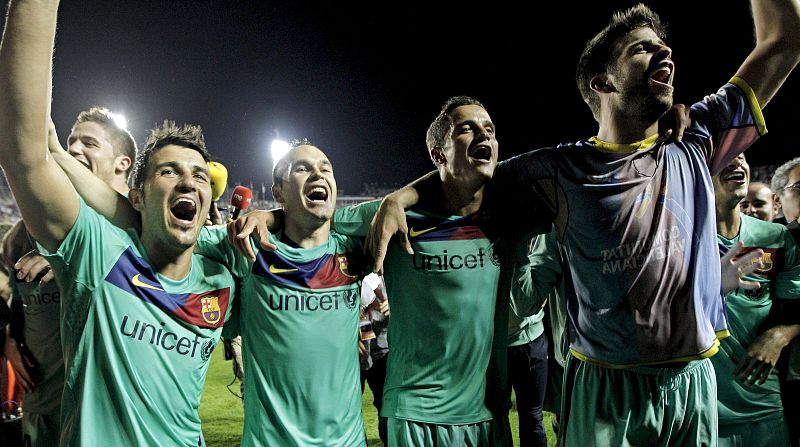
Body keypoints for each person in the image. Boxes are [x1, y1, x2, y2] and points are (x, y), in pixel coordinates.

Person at [367, 2, 800, 445]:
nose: (665, 54)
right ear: (602, 81)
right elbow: (464, 179)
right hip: (606, 388)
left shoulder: (697, 138)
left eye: (665, 47)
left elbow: (783, 44)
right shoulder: (560, 171)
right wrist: (400, 197)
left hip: (693, 381)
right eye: (643, 49)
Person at [0, 3, 236, 445]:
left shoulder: (224, 273)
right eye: (169, 171)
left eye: (199, 175)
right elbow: (21, 151)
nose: (188, 181)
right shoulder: (100, 249)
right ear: (138, 195)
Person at [196, 141, 369, 447]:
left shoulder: (353, 250)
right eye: (302, 168)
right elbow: (170, 233)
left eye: (325, 168)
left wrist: (273, 215)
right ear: (278, 192)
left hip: (348, 441)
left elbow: (401, 207)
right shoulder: (248, 246)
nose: (318, 173)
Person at [1, 107, 136, 447]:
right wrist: (10, 340)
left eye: (88, 143)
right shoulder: (22, 235)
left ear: (122, 163)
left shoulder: (139, 229)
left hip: (111, 416)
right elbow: (16, 300)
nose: (74, 148)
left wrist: (77, 255)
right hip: (43, 408)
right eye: (71, 141)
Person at [712, 152, 800, 446]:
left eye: (742, 156)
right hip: (701, 401)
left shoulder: (776, 237)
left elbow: (795, 309)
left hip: (763, 399)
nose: (737, 162)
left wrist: (780, 334)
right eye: (726, 155)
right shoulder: (676, 236)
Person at [359, 272, 390, 446]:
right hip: (348, 351)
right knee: (347, 407)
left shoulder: (389, 266)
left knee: (385, 405)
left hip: (382, 347)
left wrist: (395, 303)